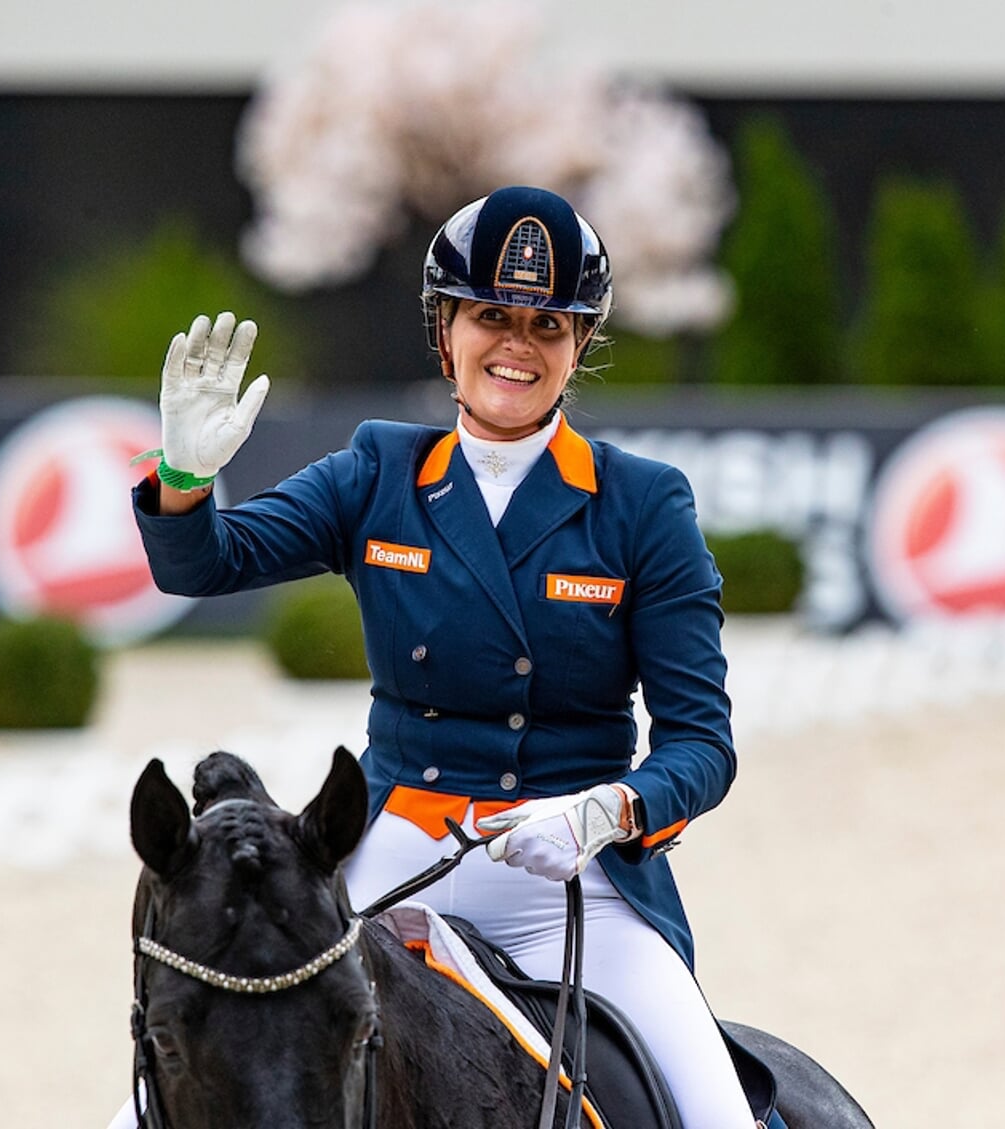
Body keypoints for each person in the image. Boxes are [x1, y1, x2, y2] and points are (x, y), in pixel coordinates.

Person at [114, 185, 756, 1128]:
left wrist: (608, 808)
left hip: (571, 873)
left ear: (580, 345)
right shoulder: (380, 473)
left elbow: (703, 744)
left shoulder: (642, 506)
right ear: (445, 328)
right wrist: (183, 474)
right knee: (179, 1063)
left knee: (716, 1115)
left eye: (548, 324)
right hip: (393, 846)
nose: (517, 345)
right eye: (491, 315)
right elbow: (208, 563)